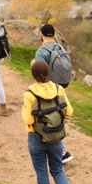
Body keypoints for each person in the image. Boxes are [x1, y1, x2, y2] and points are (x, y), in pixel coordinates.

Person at [22, 60, 81, 184]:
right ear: (49, 73)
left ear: (33, 75)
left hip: (36, 138)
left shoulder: (29, 94)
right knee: (57, 169)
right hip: (55, 137)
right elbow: (69, 111)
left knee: (41, 171)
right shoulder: (58, 88)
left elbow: (28, 119)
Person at [31, 24, 73, 164]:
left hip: (48, 89)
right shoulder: (60, 47)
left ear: (41, 35)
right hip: (60, 86)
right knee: (56, 117)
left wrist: (33, 65)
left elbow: (39, 75)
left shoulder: (41, 51)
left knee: (50, 119)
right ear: (54, 34)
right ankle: (62, 151)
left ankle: (63, 152)